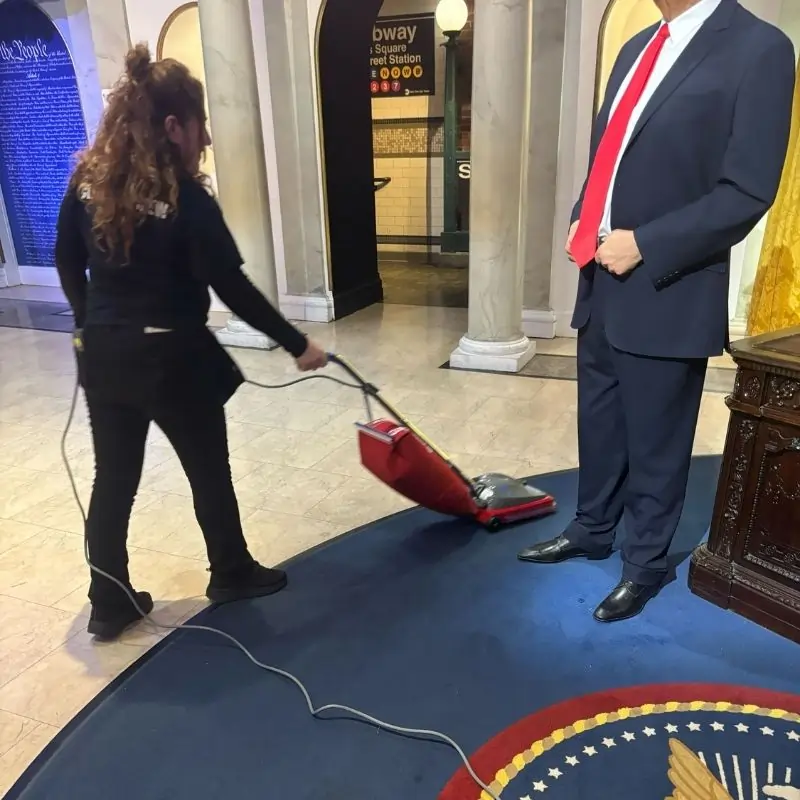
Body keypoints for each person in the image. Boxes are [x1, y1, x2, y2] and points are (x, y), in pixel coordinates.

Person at [518, 0, 795, 622]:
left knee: (657, 439)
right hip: (601, 279)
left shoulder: (760, 48)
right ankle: (592, 529)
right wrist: (581, 220)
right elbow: (609, 160)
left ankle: (643, 564)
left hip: (669, 282)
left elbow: (748, 190)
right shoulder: (636, 45)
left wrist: (646, 243)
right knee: (601, 421)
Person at [55, 44, 328, 641]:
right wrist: (297, 343)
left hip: (104, 355)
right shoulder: (187, 197)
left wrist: (90, 322)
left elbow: (65, 260)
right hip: (171, 359)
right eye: (200, 125)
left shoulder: (87, 182)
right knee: (209, 469)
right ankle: (230, 571)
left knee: (114, 478)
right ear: (174, 125)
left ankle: (109, 601)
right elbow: (231, 284)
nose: (204, 140)